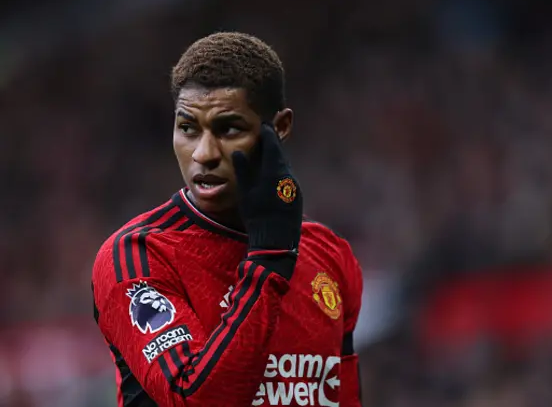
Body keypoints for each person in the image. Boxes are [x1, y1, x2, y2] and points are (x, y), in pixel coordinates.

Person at [91, 31, 363, 407]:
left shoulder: (330, 256)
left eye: (228, 128)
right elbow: (196, 399)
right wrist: (269, 258)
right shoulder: (140, 255)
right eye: (188, 128)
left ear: (279, 127)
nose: (204, 153)